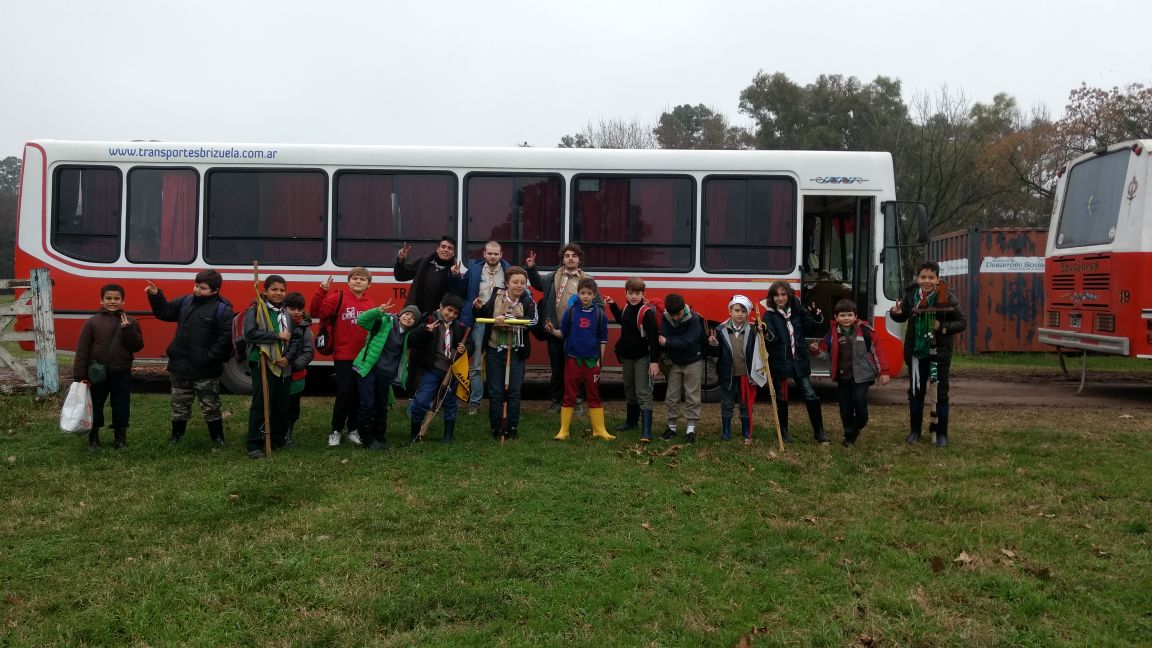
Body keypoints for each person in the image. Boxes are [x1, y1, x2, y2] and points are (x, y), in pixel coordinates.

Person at [146, 270, 234, 446]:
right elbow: (164, 313)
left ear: (215, 290)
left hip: (205, 369)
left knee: (210, 405)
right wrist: (156, 296)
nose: (197, 290)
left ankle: (217, 438)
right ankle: (176, 437)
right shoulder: (186, 301)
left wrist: (208, 358)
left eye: (203, 288)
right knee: (179, 403)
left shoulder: (222, 310)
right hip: (180, 365)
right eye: (196, 285)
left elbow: (224, 340)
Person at [889, 261, 966, 447]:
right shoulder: (911, 295)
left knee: (940, 393)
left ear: (937, 279)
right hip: (916, 353)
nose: (927, 281)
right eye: (923, 277)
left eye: (931, 277)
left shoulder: (947, 296)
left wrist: (942, 326)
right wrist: (895, 313)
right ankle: (915, 431)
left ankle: (941, 434)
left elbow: (962, 322)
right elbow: (903, 315)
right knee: (916, 393)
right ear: (917, 278)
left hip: (939, 354)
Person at [72, 283, 144, 450]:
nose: (112, 301)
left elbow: (137, 346)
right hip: (97, 373)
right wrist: (80, 376)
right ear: (101, 300)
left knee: (121, 405)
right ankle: (94, 438)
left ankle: (120, 438)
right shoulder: (92, 322)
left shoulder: (131, 322)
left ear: (123, 301)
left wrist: (128, 330)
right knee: (95, 404)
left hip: (122, 371)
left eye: (117, 298)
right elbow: (82, 350)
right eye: (108, 298)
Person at [526, 243, 597, 412]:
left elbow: (598, 304)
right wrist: (531, 268)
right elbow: (537, 284)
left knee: (576, 369)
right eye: (567, 256)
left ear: (579, 259)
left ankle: (576, 400)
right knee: (557, 367)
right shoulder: (554, 276)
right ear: (562, 259)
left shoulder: (587, 280)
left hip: (578, 334)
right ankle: (557, 399)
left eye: (574, 256)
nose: (570, 258)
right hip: (554, 330)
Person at [311, 267, 376, 447]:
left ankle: (352, 429)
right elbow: (316, 312)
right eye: (354, 278)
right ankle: (336, 430)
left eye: (362, 279)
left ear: (368, 285)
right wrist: (322, 291)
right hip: (343, 355)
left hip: (363, 357)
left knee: (357, 394)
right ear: (348, 282)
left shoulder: (370, 303)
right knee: (345, 393)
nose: (358, 281)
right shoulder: (337, 297)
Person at [472, 266, 537, 440]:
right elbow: (484, 313)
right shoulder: (496, 295)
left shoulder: (528, 301)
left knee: (514, 392)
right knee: (495, 392)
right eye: (515, 282)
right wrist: (478, 308)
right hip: (495, 350)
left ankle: (512, 428)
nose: (519, 285)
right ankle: (496, 428)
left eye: (522, 282)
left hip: (516, 352)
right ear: (507, 283)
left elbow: (533, 321)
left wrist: (513, 320)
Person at [760, 281, 829, 444]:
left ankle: (819, 432)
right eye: (776, 295)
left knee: (810, 393)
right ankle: (784, 432)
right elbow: (773, 340)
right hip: (780, 362)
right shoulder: (769, 315)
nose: (780, 298)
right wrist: (765, 332)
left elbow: (810, 328)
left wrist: (816, 316)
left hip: (799, 360)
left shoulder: (798, 311)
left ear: (789, 295)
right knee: (782, 396)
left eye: (783, 294)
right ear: (772, 297)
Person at [820, 299, 891, 447]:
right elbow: (825, 352)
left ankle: (857, 425)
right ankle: (849, 437)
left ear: (855, 316)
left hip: (862, 376)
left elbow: (878, 351)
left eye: (849, 315)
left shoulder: (866, 331)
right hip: (842, 376)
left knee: (859, 401)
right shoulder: (832, 334)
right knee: (845, 407)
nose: (846, 318)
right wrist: (816, 351)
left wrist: (884, 371)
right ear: (836, 317)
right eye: (842, 315)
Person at [353, 302, 420, 450]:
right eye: (407, 314)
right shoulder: (385, 321)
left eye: (413, 318)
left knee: (382, 406)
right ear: (401, 314)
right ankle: (364, 436)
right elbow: (361, 321)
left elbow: (422, 337)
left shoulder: (409, 336)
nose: (409, 318)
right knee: (368, 404)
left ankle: (379, 435)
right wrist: (378, 311)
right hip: (368, 367)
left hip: (386, 374)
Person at [554, 278, 613, 441]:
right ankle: (564, 430)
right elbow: (562, 333)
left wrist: (600, 360)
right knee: (569, 394)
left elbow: (603, 339)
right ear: (578, 294)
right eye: (582, 293)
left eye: (589, 293)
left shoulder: (600, 315)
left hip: (592, 361)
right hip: (573, 360)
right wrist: (552, 330)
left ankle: (599, 430)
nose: (585, 296)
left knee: (594, 394)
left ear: (594, 295)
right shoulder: (571, 312)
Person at [407, 293, 471, 443]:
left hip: (450, 372)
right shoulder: (428, 320)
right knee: (421, 401)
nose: (451, 315)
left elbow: (470, 344)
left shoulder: (459, 327)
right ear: (441, 307)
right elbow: (412, 340)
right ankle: (415, 434)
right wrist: (424, 331)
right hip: (431, 369)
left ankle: (448, 436)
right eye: (449, 310)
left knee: (450, 403)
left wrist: (465, 348)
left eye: (455, 313)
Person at [604, 277, 661, 441]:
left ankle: (646, 431)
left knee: (643, 391)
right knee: (629, 390)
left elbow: (653, 339)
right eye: (630, 293)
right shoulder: (627, 308)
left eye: (637, 293)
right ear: (626, 293)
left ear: (643, 293)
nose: (634, 296)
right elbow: (622, 320)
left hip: (642, 358)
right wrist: (613, 305)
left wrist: (654, 362)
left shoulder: (646, 312)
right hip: (627, 357)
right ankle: (631, 422)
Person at [242, 275, 292, 459]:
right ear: (265, 291)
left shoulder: (285, 312)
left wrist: (287, 357)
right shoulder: (256, 309)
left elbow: (292, 337)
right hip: (262, 361)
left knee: (280, 402)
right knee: (261, 402)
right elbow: (249, 334)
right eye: (274, 289)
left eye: (282, 290)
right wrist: (276, 336)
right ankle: (254, 443)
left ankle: (277, 437)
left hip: (281, 363)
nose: (278, 293)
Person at [458, 240, 510, 416]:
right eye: (490, 253)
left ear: (501, 255)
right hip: (479, 320)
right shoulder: (474, 269)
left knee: (500, 362)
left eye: (496, 254)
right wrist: (454, 277)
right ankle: (475, 403)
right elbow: (461, 289)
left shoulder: (508, 270)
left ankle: (500, 401)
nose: (493, 256)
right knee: (477, 365)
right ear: (484, 254)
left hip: (500, 322)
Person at [709, 295, 766, 445]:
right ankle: (726, 430)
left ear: (748, 313)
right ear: (730, 311)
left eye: (743, 311)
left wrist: (763, 330)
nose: (740, 314)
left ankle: (746, 430)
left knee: (745, 403)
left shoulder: (753, 329)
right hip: (727, 373)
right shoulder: (720, 330)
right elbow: (716, 353)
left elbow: (761, 345)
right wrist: (713, 344)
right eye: (737, 310)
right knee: (727, 402)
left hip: (745, 374)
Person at [659, 293, 706, 444]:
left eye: (678, 314)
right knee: (671, 396)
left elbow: (689, 341)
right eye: (672, 315)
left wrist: (668, 342)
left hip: (693, 361)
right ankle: (671, 427)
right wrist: (675, 341)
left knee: (692, 396)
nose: (675, 318)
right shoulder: (665, 317)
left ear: (683, 309)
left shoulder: (694, 319)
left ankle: (690, 429)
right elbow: (664, 335)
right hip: (675, 362)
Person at [394, 235, 464, 316]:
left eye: (450, 248)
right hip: (414, 312)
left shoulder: (453, 270)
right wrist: (400, 261)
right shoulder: (422, 262)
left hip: (437, 316)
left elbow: (456, 295)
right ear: (437, 249)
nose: (446, 250)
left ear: (453, 252)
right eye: (443, 247)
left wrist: (455, 277)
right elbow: (400, 276)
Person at [282, 291, 314, 446]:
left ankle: (287, 434)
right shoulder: (279, 324)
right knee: (278, 405)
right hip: (277, 373)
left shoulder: (305, 329)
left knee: (292, 407)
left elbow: (308, 352)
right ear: (285, 308)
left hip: (296, 375)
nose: (295, 312)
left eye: (299, 309)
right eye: (292, 308)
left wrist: (294, 366)